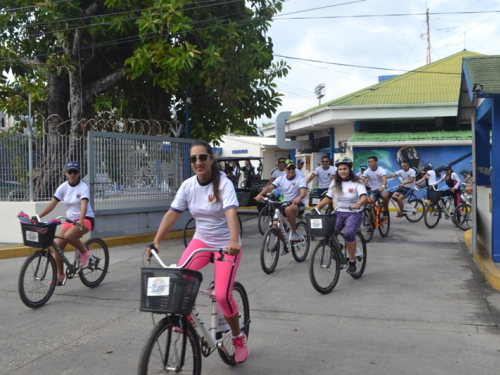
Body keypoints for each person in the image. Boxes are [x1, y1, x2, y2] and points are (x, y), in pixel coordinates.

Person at [146, 140, 248, 364]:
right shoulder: (188, 186)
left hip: (225, 244)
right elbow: (172, 214)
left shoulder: (224, 184)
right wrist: (156, 241)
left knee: (222, 295)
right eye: (193, 159)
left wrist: (233, 241)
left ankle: (239, 337)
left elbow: (231, 213)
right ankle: (188, 320)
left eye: (202, 157)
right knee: (179, 280)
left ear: (212, 159)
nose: (198, 162)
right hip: (201, 241)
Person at [38, 161, 95, 286]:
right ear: (65, 173)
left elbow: (84, 204)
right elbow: (52, 204)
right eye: (70, 172)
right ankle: (60, 276)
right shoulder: (63, 187)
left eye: (75, 172)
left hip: (86, 219)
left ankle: (85, 253)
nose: (72, 174)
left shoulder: (83, 187)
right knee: (57, 247)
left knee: (69, 236)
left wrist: (81, 219)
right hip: (70, 220)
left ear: (79, 173)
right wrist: (38, 216)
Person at [314, 157, 368, 274]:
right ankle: (339, 247)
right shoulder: (335, 182)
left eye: (345, 169)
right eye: (340, 169)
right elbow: (328, 197)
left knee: (349, 234)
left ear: (349, 169)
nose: (342, 171)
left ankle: (352, 261)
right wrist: (318, 206)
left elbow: (364, 196)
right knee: (328, 233)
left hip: (354, 213)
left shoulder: (357, 182)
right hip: (339, 212)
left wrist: (358, 203)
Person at [255, 160, 307, 249]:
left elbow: (303, 192)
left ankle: (294, 232)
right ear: (285, 169)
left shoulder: (300, 179)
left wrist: (298, 198)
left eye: (293, 168)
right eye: (289, 168)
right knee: (275, 226)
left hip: (298, 205)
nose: (291, 170)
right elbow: (269, 187)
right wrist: (260, 194)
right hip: (285, 204)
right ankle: (284, 244)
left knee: (288, 209)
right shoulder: (281, 179)